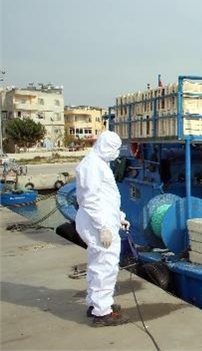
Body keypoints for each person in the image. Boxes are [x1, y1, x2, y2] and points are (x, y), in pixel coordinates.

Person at [75, 130, 130, 327]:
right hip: (97, 224)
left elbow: (106, 198)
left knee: (97, 262)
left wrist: (119, 218)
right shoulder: (92, 166)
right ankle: (102, 313)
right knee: (105, 266)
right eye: (114, 149)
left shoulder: (99, 164)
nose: (116, 153)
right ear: (106, 146)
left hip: (101, 222)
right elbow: (89, 199)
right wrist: (104, 227)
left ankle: (96, 304)